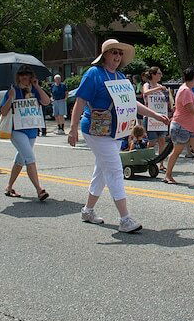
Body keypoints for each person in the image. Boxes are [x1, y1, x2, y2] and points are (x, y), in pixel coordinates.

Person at [69, 39, 169, 232]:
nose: (117, 56)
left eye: (119, 53)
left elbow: (132, 104)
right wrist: (72, 128)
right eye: (113, 52)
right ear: (104, 55)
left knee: (101, 171)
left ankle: (88, 210)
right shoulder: (94, 74)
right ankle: (125, 219)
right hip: (96, 130)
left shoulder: (121, 77)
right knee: (115, 170)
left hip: (116, 132)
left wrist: (155, 115)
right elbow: (80, 102)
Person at [0, 65, 51, 200]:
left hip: (32, 131)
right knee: (30, 158)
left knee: (20, 160)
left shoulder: (34, 89)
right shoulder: (13, 90)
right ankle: (39, 190)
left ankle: (9, 187)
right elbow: (4, 112)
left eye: (27, 74)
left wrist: (37, 86)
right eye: (22, 74)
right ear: (18, 76)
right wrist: (11, 98)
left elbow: (46, 102)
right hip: (17, 131)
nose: (24, 76)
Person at [142, 66, 170, 171]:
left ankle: (161, 163)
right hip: (150, 118)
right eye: (159, 73)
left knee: (162, 141)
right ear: (153, 75)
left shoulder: (161, 86)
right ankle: (149, 161)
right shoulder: (147, 85)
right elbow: (145, 93)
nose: (160, 75)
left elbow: (166, 100)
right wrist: (159, 88)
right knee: (152, 141)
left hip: (161, 117)